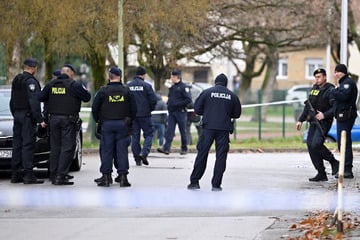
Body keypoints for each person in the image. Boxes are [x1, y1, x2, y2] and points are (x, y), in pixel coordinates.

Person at [187, 73, 241, 191]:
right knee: (221, 157)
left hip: (208, 128)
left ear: (215, 82)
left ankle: (194, 181)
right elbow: (237, 114)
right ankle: (216, 184)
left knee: (202, 154)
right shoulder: (232, 96)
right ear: (226, 84)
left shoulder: (207, 93)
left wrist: (208, 111)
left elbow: (197, 109)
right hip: (224, 129)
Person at [38, 63, 91, 185]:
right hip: (68, 120)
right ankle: (60, 175)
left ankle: (53, 174)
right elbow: (87, 97)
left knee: (55, 147)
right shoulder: (74, 85)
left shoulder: (51, 84)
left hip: (53, 120)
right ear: (71, 73)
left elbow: (40, 97)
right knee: (67, 147)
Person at [92, 67, 137, 187]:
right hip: (123, 124)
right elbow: (134, 109)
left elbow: (95, 108)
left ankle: (106, 177)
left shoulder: (103, 91)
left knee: (107, 151)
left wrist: (98, 121)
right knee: (122, 151)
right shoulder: (127, 91)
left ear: (109, 76)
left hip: (107, 124)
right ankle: (123, 177)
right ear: (120, 76)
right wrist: (130, 121)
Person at [296, 68, 339, 182]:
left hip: (324, 122)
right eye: (316, 77)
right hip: (313, 122)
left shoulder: (330, 90)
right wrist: (300, 120)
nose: (317, 79)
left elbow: (335, 107)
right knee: (310, 145)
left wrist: (325, 115)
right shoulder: (314, 89)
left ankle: (333, 162)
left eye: (319, 77)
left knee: (316, 144)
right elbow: (308, 106)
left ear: (325, 77)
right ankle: (321, 173)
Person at [9, 58, 46, 184]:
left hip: (17, 115)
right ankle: (28, 175)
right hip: (26, 116)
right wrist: (39, 119)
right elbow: (34, 102)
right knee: (28, 145)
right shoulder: (30, 82)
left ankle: (15, 174)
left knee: (17, 145)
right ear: (33, 67)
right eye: (35, 67)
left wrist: (15, 114)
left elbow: (12, 101)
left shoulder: (17, 79)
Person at [127, 66, 157, 166]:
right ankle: (144, 153)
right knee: (149, 134)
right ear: (143, 75)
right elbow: (153, 100)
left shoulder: (128, 86)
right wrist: (150, 109)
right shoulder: (147, 86)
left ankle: (137, 159)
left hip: (133, 115)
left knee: (135, 136)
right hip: (145, 115)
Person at [332, 64, 358, 179]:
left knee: (344, 142)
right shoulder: (343, 83)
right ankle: (344, 168)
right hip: (342, 116)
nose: (335, 74)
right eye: (335, 72)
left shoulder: (348, 83)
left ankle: (347, 169)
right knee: (342, 142)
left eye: (337, 72)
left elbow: (343, 97)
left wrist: (334, 91)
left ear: (342, 72)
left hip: (346, 116)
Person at [157, 70, 192, 155]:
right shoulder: (172, 88)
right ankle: (166, 148)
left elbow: (188, 100)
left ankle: (184, 148)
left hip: (181, 112)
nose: (171, 78)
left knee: (182, 131)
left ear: (177, 77)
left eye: (172, 76)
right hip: (172, 113)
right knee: (169, 131)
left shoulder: (184, 87)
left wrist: (177, 104)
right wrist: (169, 104)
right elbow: (170, 99)